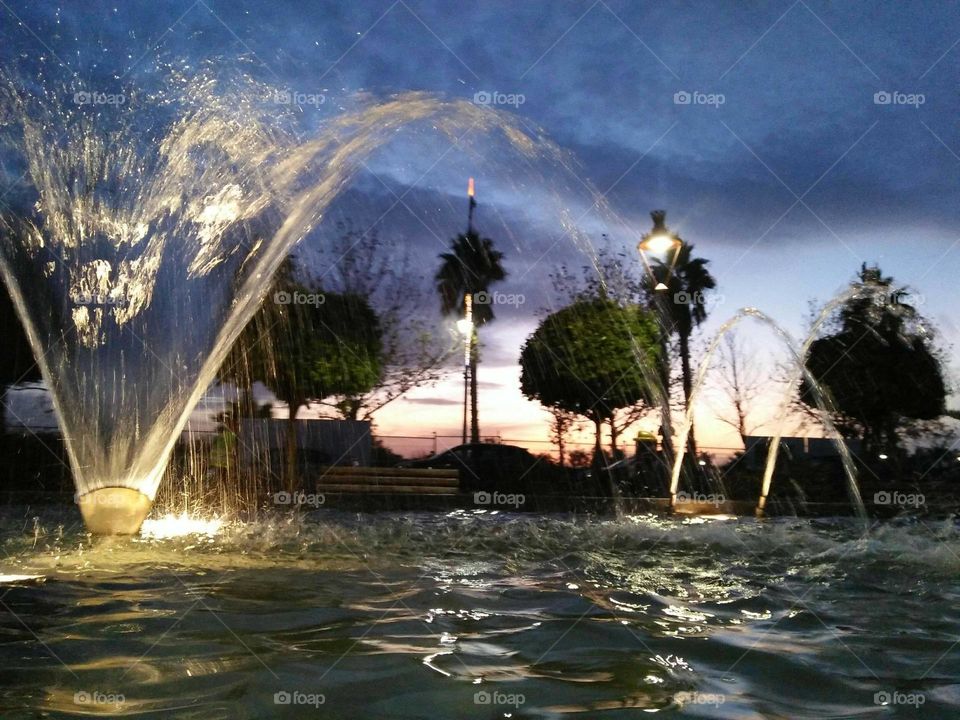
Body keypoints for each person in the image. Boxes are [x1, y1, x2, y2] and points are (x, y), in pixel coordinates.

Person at [209, 414, 239, 483]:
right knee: (223, 477)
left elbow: (213, 444)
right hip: (223, 462)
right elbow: (233, 448)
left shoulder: (222, 433)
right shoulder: (230, 435)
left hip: (219, 461)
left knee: (221, 477)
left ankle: (222, 485)